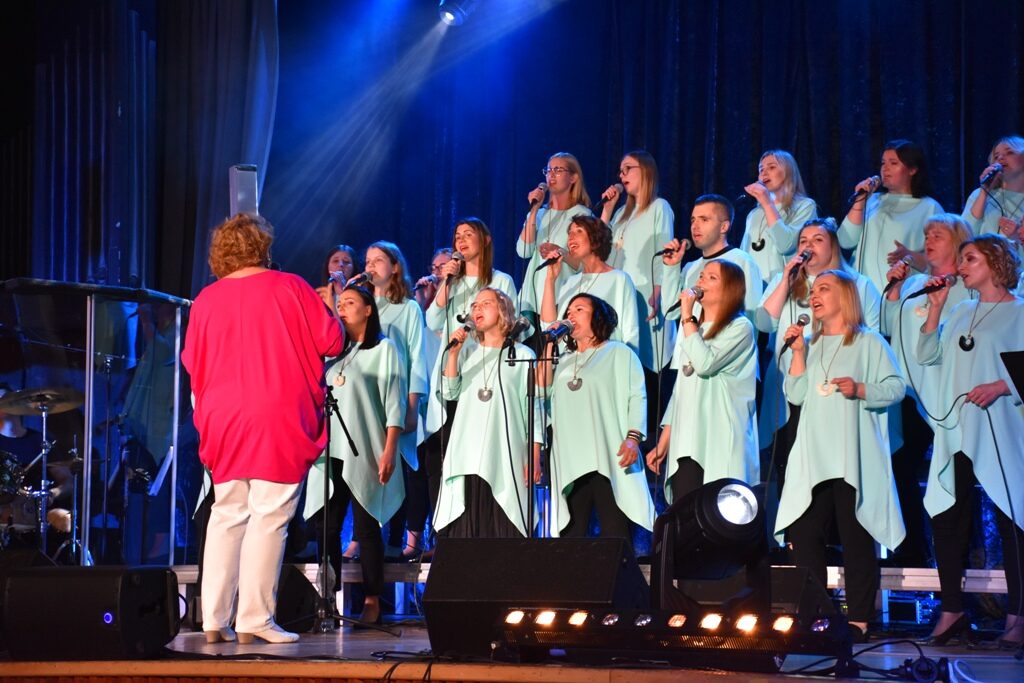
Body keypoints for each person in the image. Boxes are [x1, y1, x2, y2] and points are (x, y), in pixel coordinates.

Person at [182, 213, 343, 644]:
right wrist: (330, 307)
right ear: (262, 246)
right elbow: (332, 341)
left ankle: (214, 618)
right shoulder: (291, 287)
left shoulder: (206, 299)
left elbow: (192, 362)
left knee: (227, 512)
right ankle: (255, 618)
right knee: (269, 514)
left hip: (223, 416)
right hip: (275, 412)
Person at [775, 269, 906, 641]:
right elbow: (796, 395)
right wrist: (797, 353)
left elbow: (896, 387)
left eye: (824, 289)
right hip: (814, 456)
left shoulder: (868, 342)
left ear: (845, 296)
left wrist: (861, 389)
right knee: (804, 535)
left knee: (856, 535)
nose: (814, 295)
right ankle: (816, 617)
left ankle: (859, 619)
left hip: (851, 456)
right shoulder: (810, 343)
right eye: (813, 290)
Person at [917, 234, 1024, 648]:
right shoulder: (961, 310)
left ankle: (1017, 618)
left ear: (996, 264)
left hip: (1001, 427)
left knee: (1011, 520)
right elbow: (927, 355)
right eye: (961, 260)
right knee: (946, 516)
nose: (960, 267)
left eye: (970, 259)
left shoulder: (1019, 312)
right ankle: (952, 610)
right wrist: (934, 311)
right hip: (957, 429)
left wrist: (1000, 385)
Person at [303, 286, 403, 626]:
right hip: (329, 450)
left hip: (366, 449)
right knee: (326, 526)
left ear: (368, 309)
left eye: (350, 303)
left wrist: (390, 449)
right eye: (340, 303)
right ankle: (328, 598)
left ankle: (373, 598)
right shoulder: (331, 353)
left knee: (366, 525)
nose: (342, 308)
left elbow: (394, 401)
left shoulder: (384, 349)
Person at [881, 214, 973, 566]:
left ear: (958, 242)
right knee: (900, 465)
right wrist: (893, 289)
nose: (928, 241)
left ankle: (965, 553)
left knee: (958, 473)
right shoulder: (914, 283)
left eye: (937, 235)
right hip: (909, 393)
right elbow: (886, 326)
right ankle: (911, 549)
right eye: (926, 235)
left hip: (951, 395)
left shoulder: (968, 287)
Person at [756, 218, 882, 465]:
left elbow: (871, 337)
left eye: (817, 240)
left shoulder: (859, 284)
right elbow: (763, 324)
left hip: (834, 386)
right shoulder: (785, 280)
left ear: (833, 246)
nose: (808, 246)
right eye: (803, 241)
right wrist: (786, 281)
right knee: (788, 461)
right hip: (791, 383)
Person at [540, 294, 654, 544]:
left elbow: (637, 396)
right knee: (571, 537)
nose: (570, 315)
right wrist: (549, 345)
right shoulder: (564, 361)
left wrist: (633, 438)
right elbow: (540, 390)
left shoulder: (619, 353)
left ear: (598, 317)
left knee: (615, 533)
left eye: (579, 309)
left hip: (607, 456)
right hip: (570, 460)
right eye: (568, 311)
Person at [646, 260, 759, 502]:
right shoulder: (692, 329)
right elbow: (681, 388)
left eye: (711, 277)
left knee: (716, 512)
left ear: (730, 289)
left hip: (718, 436)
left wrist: (687, 317)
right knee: (685, 511)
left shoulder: (740, 327)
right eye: (701, 276)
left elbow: (705, 363)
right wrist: (664, 440)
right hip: (686, 440)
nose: (701, 281)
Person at [433, 288, 542, 538]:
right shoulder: (467, 352)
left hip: (504, 450)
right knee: (468, 524)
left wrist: (534, 454)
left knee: (503, 521)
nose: (477, 308)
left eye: (486, 303)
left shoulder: (522, 355)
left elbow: (533, 410)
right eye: (474, 305)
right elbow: (449, 392)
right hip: (467, 453)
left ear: (503, 310)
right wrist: (453, 354)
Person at [363, 241, 429, 561]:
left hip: (399, 397)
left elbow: (417, 358)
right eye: (367, 261)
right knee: (370, 469)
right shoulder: (362, 307)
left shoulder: (408, 308)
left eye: (378, 260)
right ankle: (366, 537)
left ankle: (406, 538)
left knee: (405, 466)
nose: (370, 266)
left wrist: (413, 404)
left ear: (395, 267)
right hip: (368, 400)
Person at [599, 150, 676, 371]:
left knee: (646, 360)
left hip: (646, 292)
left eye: (628, 169)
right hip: (620, 294)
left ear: (646, 171)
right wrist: (607, 211)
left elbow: (664, 250)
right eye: (620, 171)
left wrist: (659, 290)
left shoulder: (659, 207)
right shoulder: (620, 214)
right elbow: (599, 249)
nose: (621, 175)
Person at [839, 139, 943, 294]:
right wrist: (860, 201)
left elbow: (943, 259)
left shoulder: (929, 207)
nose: (885, 168)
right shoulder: (871, 200)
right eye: (883, 163)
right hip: (862, 293)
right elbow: (845, 241)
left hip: (901, 292)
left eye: (893, 163)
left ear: (912, 169)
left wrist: (911, 256)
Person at [539, 215, 642, 360]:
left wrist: (629, 367)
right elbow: (548, 326)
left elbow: (630, 332)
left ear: (595, 238)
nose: (571, 237)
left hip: (604, 361)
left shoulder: (619, 279)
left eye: (578, 231)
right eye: (569, 233)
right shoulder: (570, 282)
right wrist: (550, 279)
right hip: (568, 363)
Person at [517, 153, 592, 325]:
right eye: (548, 170)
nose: (551, 174)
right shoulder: (539, 214)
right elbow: (523, 251)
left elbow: (585, 264)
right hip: (531, 299)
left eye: (558, 170)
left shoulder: (582, 215)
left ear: (573, 177)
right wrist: (533, 211)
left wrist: (560, 253)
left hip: (561, 295)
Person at [662, 194, 763, 321]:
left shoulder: (742, 261)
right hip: (690, 334)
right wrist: (671, 267)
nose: (695, 226)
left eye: (704, 220)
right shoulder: (690, 268)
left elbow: (750, 317)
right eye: (693, 220)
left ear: (724, 227)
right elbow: (670, 313)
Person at [426, 218, 518, 340]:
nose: (461, 240)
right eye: (458, 237)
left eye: (468, 235)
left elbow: (512, 327)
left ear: (485, 240)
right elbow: (433, 323)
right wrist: (447, 282)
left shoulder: (502, 280)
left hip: (488, 350)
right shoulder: (452, 282)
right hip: (455, 351)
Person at [739, 150, 819, 283]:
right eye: (761, 169)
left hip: (784, 286)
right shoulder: (754, 214)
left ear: (788, 172)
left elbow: (785, 245)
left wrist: (767, 203)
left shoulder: (805, 206)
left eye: (771, 167)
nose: (764, 173)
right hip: (753, 288)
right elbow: (744, 256)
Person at [961, 136, 1024, 245]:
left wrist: (1018, 237)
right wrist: (984, 192)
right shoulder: (979, 195)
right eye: (996, 156)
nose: (1001, 158)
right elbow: (963, 236)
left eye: (1009, 152)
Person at [315, 244, 359, 310]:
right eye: (335, 261)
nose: (340, 264)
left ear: (354, 267)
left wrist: (342, 292)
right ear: (327, 266)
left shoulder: (361, 295)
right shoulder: (322, 295)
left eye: (346, 261)